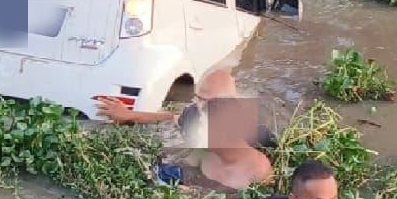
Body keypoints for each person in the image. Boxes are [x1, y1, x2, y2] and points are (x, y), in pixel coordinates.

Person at [94, 69, 277, 149]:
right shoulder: (193, 114)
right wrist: (128, 115)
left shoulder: (259, 131)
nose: (201, 107)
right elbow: (171, 117)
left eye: (209, 103)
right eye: (199, 100)